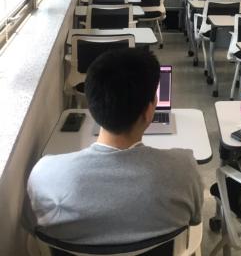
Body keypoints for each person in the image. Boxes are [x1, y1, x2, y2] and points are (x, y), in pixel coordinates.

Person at [28, 49, 202, 245]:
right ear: (148, 111)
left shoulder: (44, 175)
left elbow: (33, 228)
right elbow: (195, 220)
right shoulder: (184, 169)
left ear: (92, 106)